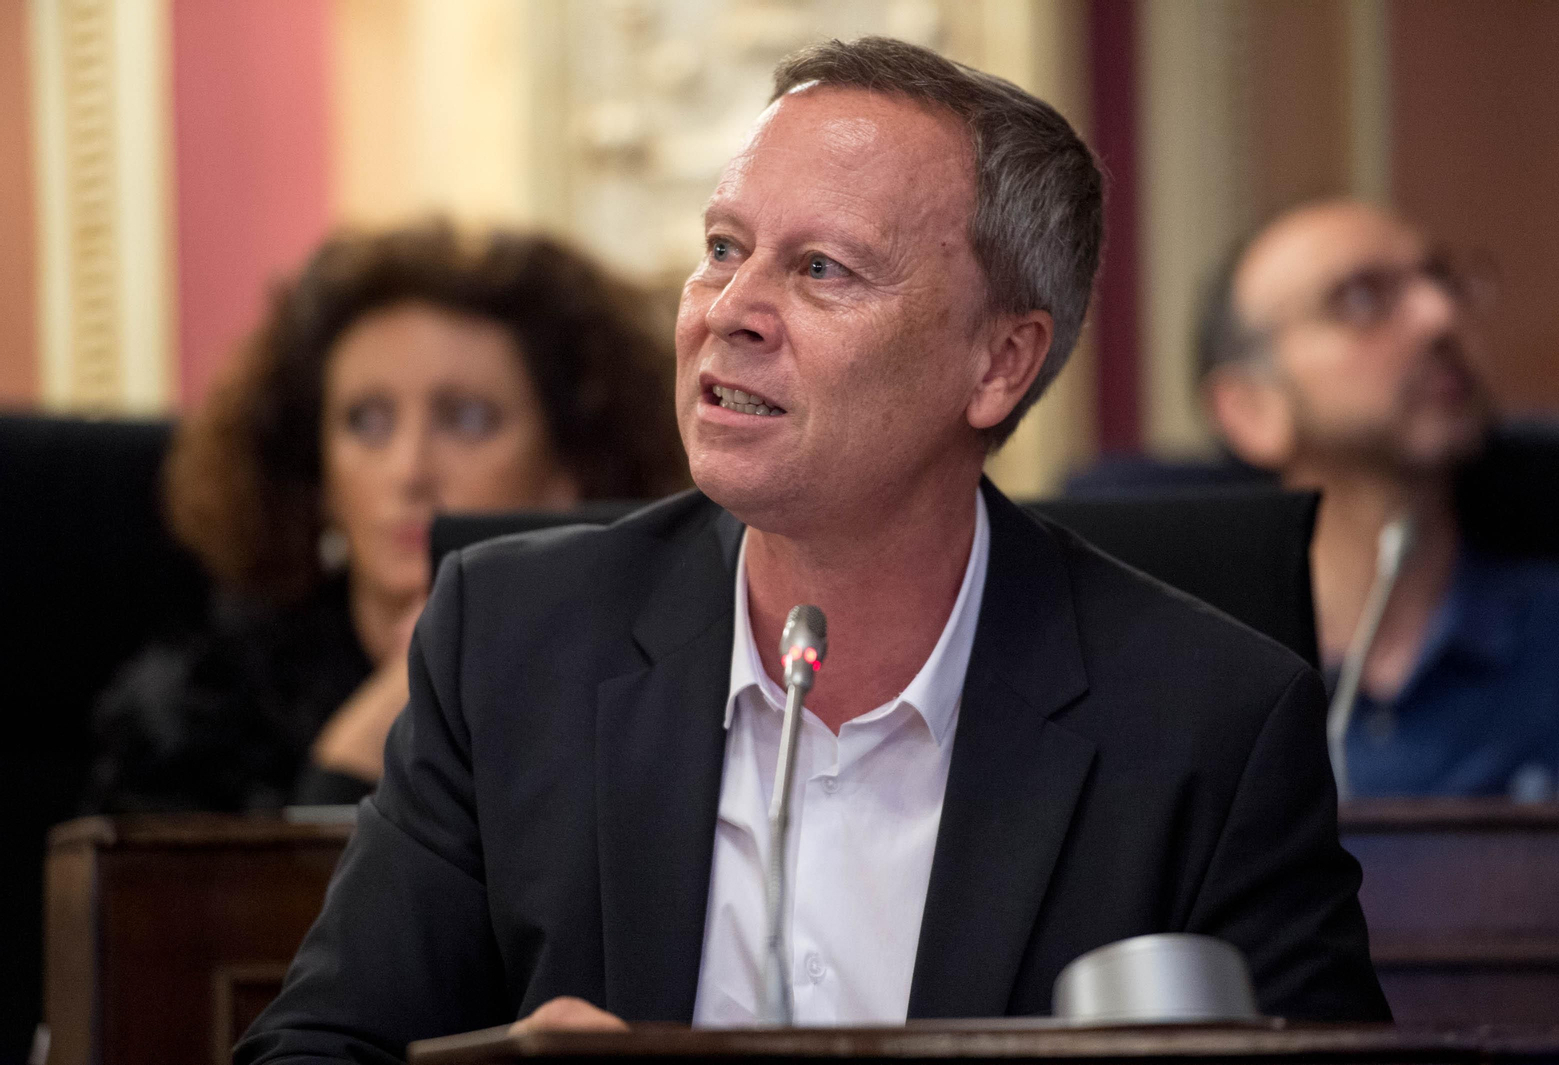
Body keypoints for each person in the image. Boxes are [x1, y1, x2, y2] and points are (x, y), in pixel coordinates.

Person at [240, 39, 1386, 1060]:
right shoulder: (512, 645)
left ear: (998, 364)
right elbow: (317, 1046)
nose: (727, 309)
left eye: (821, 269)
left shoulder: (1210, 726)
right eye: (722, 248)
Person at [87, 221, 686, 812]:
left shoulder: (649, 686)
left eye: (467, 419)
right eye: (367, 423)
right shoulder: (195, 710)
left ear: (571, 469)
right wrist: (398, 700)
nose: (409, 470)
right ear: (319, 475)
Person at [1198, 199, 1559, 798]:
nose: (1439, 315)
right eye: (1361, 298)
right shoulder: (1196, 678)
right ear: (1250, 410)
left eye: (1444, 281)